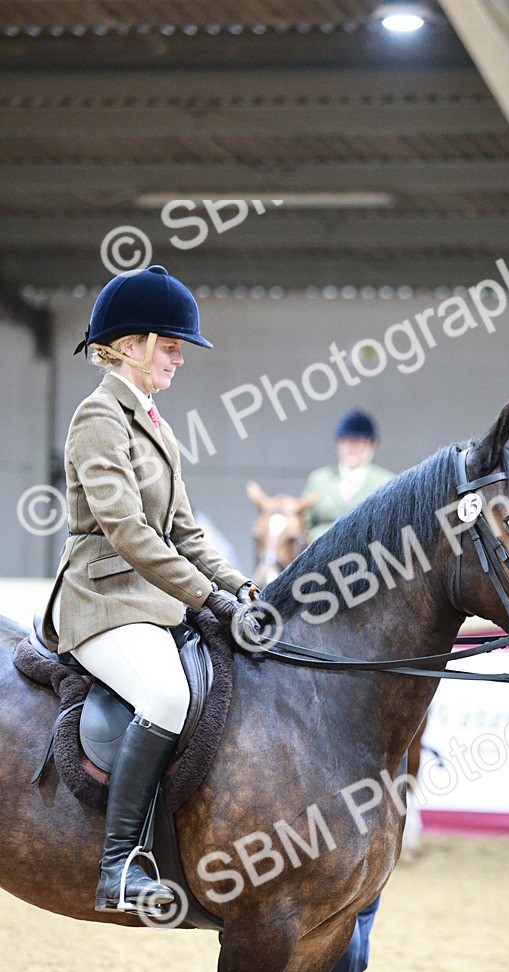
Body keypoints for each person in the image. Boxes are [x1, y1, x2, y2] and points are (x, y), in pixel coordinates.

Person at [41, 265, 260, 914]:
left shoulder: (157, 425)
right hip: (102, 602)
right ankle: (118, 867)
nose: (179, 358)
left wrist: (242, 589)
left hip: (154, 601)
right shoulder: (97, 418)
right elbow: (131, 533)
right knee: (164, 695)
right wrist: (206, 599)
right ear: (130, 345)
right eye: (169, 345)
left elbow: (186, 530)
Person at [279, 410, 392, 972]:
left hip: (371, 657)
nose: (349, 448)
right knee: (332, 939)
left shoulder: (386, 492)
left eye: (357, 440)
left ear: (370, 447)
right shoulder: (319, 487)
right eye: (345, 439)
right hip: (319, 639)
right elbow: (293, 536)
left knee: (356, 944)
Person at [301, 409, 394, 541]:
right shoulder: (319, 479)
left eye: (359, 442)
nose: (352, 448)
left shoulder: (387, 482)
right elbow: (303, 523)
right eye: (346, 441)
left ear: (371, 445)